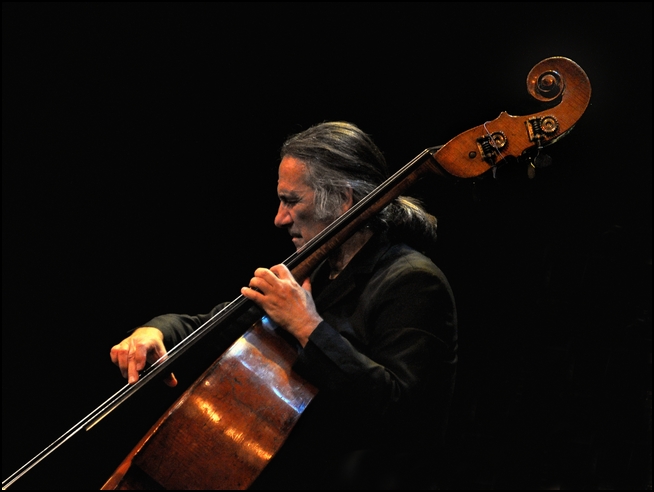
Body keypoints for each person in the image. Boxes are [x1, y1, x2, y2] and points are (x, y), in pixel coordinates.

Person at [110, 121, 458, 490]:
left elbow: (406, 417)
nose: (279, 218)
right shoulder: (312, 272)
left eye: (291, 201)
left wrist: (308, 327)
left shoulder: (412, 280)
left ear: (343, 200)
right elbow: (213, 324)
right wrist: (154, 332)